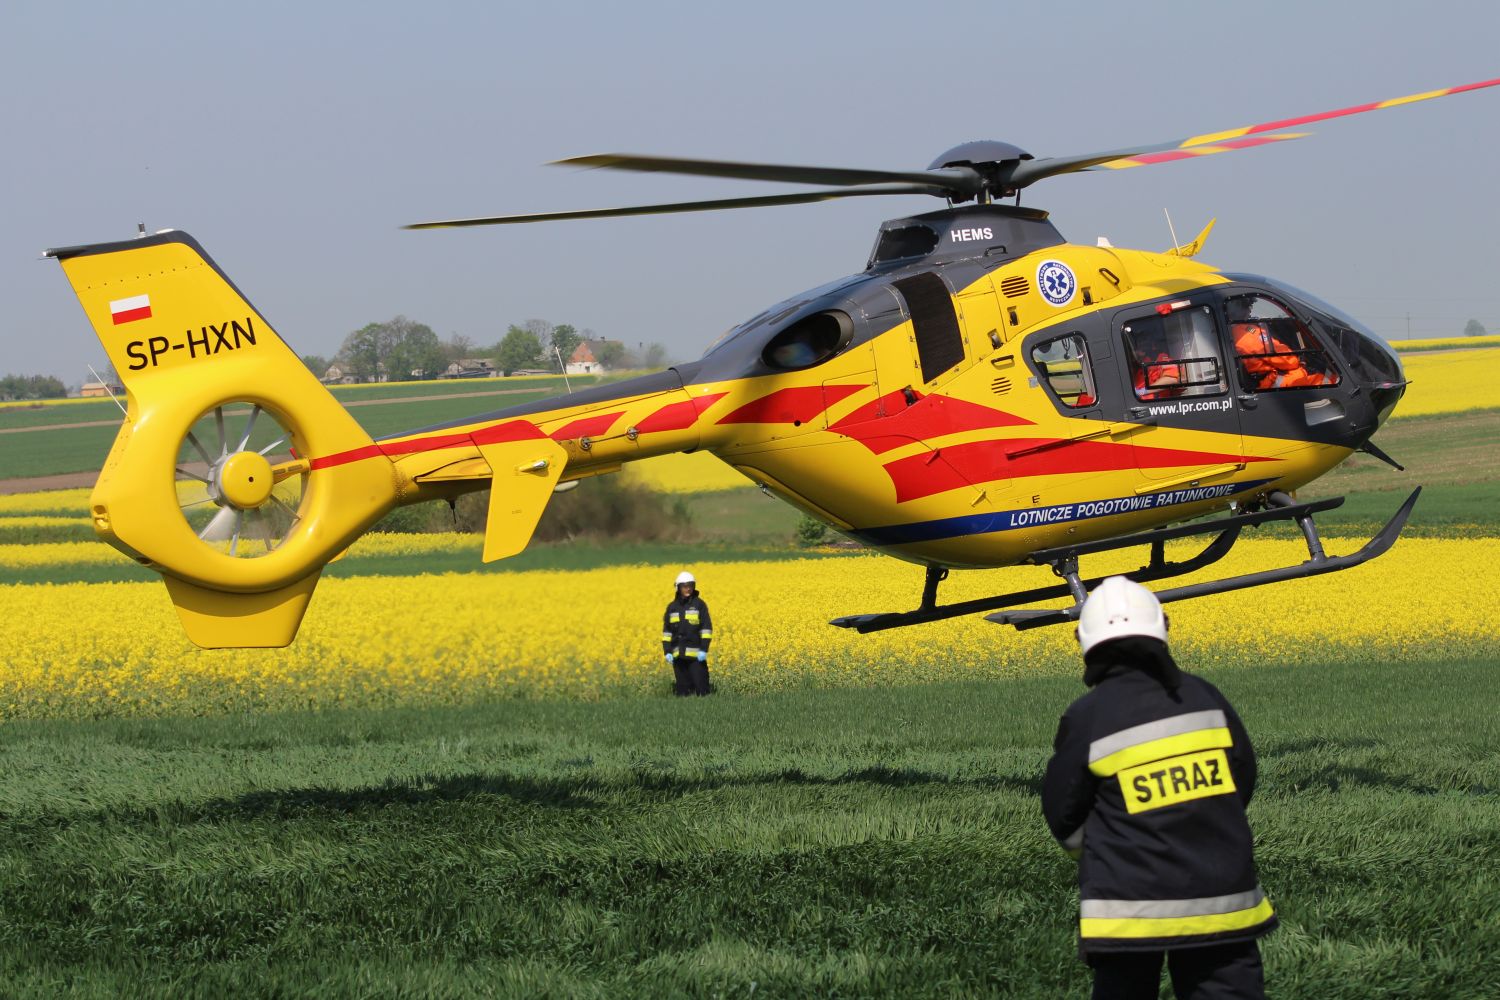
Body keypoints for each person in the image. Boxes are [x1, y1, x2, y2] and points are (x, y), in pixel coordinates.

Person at [1043, 577, 1276, 1000]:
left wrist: (1106, 845)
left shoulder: (1088, 715)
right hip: (1223, 900)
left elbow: (1062, 814)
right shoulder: (1205, 697)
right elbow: (1241, 779)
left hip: (1128, 910)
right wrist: (1201, 820)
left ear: (1085, 640)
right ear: (1162, 627)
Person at [1228, 298, 1326, 390]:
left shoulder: (1232, 332)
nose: (1250, 309)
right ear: (1236, 307)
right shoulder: (1249, 334)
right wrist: (1299, 360)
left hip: (1259, 381)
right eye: (1247, 305)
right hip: (1271, 383)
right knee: (1323, 378)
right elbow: (1286, 360)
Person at [661, 570, 713, 696]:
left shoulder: (699, 605)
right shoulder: (672, 607)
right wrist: (667, 651)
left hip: (696, 657)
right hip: (678, 656)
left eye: (690, 585)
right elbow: (667, 632)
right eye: (685, 586)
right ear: (678, 587)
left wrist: (704, 650)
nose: (688, 589)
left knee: (702, 690)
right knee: (682, 692)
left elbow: (706, 629)